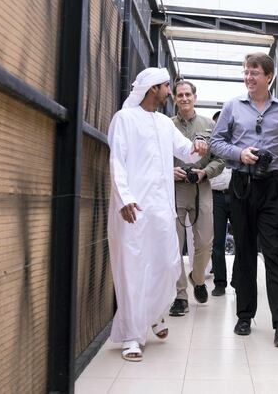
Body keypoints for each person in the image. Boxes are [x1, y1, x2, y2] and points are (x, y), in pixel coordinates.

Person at [107, 67, 209, 362]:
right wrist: (124, 199)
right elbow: (117, 162)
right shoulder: (124, 119)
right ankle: (132, 336)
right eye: (167, 87)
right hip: (134, 210)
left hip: (162, 210)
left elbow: (187, 151)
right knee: (134, 269)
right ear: (153, 89)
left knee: (167, 264)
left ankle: (153, 315)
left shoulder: (164, 123)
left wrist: (198, 147)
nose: (170, 93)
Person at [210, 52, 278, 347]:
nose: (249, 77)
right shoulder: (232, 107)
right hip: (241, 185)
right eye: (246, 72)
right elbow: (215, 142)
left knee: (275, 254)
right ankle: (244, 315)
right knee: (245, 251)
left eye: (255, 72)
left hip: (274, 186)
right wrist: (240, 154)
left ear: (269, 77)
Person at [169, 81, 225, 316]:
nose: (184, 98)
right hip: (174, 189)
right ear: (174, 97)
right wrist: (168, 170)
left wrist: (205, 172)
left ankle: (198, 278)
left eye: (187, 94)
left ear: (195, 96)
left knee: (204, 242)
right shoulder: (166, 125)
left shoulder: (209, 124)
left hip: (202, 187)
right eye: (179, 95)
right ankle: (180, 295)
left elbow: (220, 160)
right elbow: (156, 155)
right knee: (173, 244)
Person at [209, 110, 233, 297]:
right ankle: (220, 283)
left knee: (242, 240)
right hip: (215, 197)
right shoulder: (210, 145)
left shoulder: (238, 143)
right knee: (217, 242)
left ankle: (238, 280)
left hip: (237, 196)